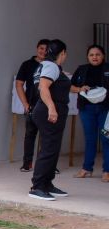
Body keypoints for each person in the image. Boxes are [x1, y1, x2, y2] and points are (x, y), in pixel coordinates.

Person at [28, 39, 70, 201]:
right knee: (48, 148)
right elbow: (43, 87)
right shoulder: (51, 66)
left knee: (53, 148)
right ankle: (37, 186)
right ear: (63, 53)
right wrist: (52, 108)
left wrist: (79, 89)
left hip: (50, 110)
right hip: (48, 110)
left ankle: (47, 183)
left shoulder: (49, 66)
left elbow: (56, 86)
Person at [70, 44, 109, 181]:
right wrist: (81, 88)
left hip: (106, 109)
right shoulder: (81, 69)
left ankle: (107, 171)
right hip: (86, 108)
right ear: (87, 57)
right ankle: (87, 169)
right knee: (90, 139)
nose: (95, 57)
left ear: (103, 56)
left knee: (106, 138)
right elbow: (70, 86)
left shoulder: (107, 68)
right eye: (92, 55)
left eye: (98, 54)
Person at [15, 39, 49, 172]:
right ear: (37, 48)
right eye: (41, 48)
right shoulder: (27, 64)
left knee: (47, 137)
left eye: (47, 49)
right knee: (30, 135)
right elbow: (19, 84)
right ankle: (27, 163)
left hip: (47, 105)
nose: (43, 51)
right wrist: (25, 104)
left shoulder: (51, 65)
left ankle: (47, 165)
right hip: (32, 105)